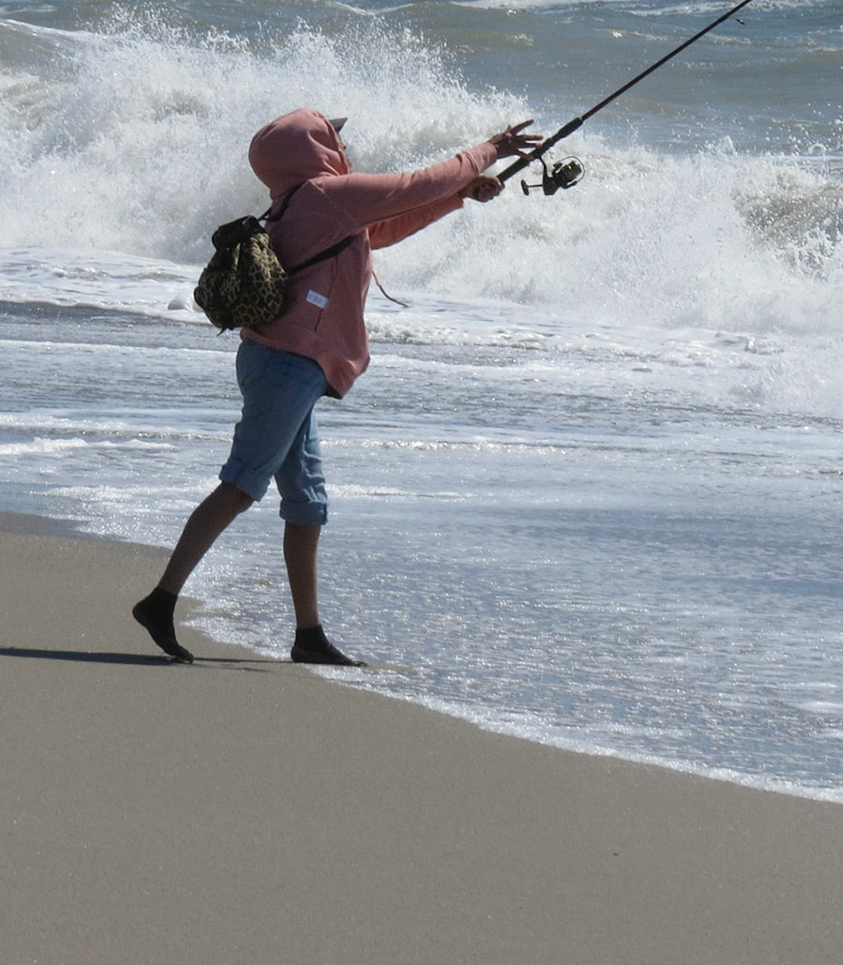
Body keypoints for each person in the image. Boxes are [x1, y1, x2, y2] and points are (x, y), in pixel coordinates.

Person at [132, 108, 542, 665]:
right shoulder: (327, 195)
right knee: (241, 485)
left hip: (285, 363)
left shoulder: (299, 203)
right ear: (313, 149)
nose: (343, 146)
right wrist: (489, 150)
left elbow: (382, 230)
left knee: (307, 503)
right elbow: (416, 184)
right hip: (287, 366)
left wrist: (460, 197)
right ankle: (160, 600)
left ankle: (309, 636)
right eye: (333, 138)